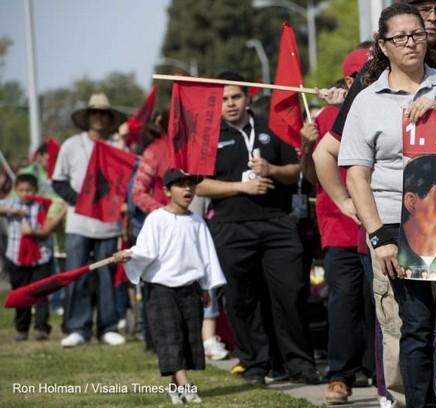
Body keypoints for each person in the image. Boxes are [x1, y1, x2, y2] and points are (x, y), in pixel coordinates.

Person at [338, 4, 436, 407]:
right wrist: (378, 237)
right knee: (416, 328)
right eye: (401, 37)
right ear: (383, 46)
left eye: (418, 34)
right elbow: (356, 175)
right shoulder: (367, 100)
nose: (412, 42)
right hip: (395, 227)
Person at [197, 71, 320, 386]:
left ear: (247, 96)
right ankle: (254, 365)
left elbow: (295, 173)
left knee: (290, 294)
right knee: (241, 299)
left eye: (235, 96)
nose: (230, 104)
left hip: (277, 223)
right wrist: (241, 188)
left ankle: (301, 364)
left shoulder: (271, 126)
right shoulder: (207, 134)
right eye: (223, 98)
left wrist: (272, 170)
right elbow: (199, 186)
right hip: (230, 226)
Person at [114, 168, 226, 404]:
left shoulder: (197, 221)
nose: (188, 190)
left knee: (187, 338)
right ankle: (185, 385)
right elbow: (146, 249)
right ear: (166, 191)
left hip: (191, 288)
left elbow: (206, 255)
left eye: (191, 185)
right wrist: (129, 254)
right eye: (180, 185)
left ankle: (175, 388)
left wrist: (206, 286)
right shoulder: (156, 218)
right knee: (170, 336)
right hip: (162, 289)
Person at [300, 47, 371, 405]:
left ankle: (381, 369)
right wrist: (306, 144)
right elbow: (312, 175)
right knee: (343, 301)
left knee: (380, 302)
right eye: (364, 72)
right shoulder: (327, 117)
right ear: (347, 80)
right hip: (340, 225)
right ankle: (340, 375)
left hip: (381, 223)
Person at [51, 93, 127, 347]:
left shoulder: (118, 148)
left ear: (108, 118)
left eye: (103, 113)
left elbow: (123, 183)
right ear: (88, 116)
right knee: (77, 275)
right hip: (78, 223)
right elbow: (58, 181)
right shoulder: (71, 145)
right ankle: (78, 328)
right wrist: (81, 200)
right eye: (94, 112)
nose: (99, 116)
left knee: (107, 275)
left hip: (108, 223)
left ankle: (108, 327)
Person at [0, 174, 66, 341]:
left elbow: (49, 224)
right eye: (21, 190)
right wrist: (12, 211)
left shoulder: (43, 205)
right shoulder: (12, 203)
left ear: (35, 191)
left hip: (40, 257)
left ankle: (41, 328)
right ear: (16, 191)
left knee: (40, 294)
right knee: (21, 294)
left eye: (29, 190)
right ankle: (21, 329)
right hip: (16, 257)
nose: (25, 194)